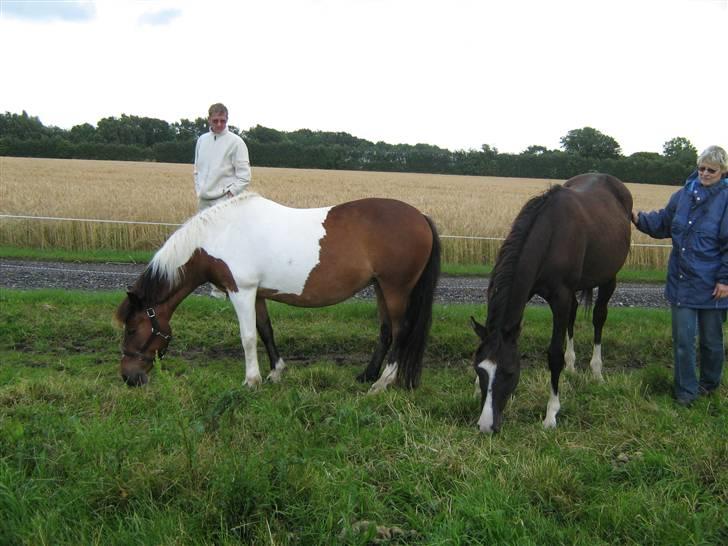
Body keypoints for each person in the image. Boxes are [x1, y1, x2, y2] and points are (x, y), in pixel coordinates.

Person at [632, 145, 728, 406]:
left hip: (713, 285)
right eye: (701, 168)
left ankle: (709, 385)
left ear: (723, 171)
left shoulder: (726, 199)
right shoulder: (682, 195)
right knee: (683, 341)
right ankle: (686, 393)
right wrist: (638, 218)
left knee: (711, 341)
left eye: (711, 170)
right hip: (682, 282)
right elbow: (664, 222)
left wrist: (725, 279)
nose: (705, 173)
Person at [194, 103, 251, 211]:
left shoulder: (237, 142)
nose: (219, 124)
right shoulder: (201, 140)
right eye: (215, 120)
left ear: (227, 119)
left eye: (223, 120)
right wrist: (199, 191)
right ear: (209, 120)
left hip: (225, 203)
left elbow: (245, 177)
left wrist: (229, 195)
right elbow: (197, 170)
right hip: (203, 202)